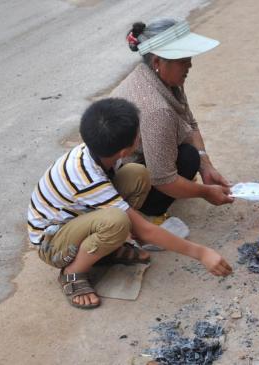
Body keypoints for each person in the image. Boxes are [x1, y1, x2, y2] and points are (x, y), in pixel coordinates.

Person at [27, 98, 232, 310]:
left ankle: (106, 247)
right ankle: (72, 273)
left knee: (137, 174)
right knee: (117, 222)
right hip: (51, 242)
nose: (140, 135)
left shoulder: (101, 153)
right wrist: (202, 253)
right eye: (138, 134)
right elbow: (144, 231)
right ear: (125, 150)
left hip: (76, 218)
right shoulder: (86, 177)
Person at [111, 19, 234, 223]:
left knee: (194, 156)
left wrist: (206, 166)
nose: (190, 65)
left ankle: (182, 183)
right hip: (125, 182)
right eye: (182, 60)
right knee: (188, 157)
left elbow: (190, 124)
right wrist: (205, 192)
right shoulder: (157, 110)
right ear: (157, 62)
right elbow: (162, 179)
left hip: (140, 161)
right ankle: (149, 211)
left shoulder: (162, 79)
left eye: (189, 58)